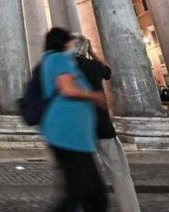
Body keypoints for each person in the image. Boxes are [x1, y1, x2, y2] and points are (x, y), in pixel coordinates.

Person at [39, 28, 107, 212]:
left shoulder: (48, 60)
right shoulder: (61, 59)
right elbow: (68, 89)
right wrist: (94, 96)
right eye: (69, 41)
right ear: (64, 43)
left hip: (63, 132)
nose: (72, 44)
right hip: (70, 133)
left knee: (82, 190)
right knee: (88, 192)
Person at [76, 36, 141, 212]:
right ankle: (131, 209)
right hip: (102, 126)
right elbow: (108, 71)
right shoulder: (94, 66)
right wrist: (92, 53)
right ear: (84, 49)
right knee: (120, 172)